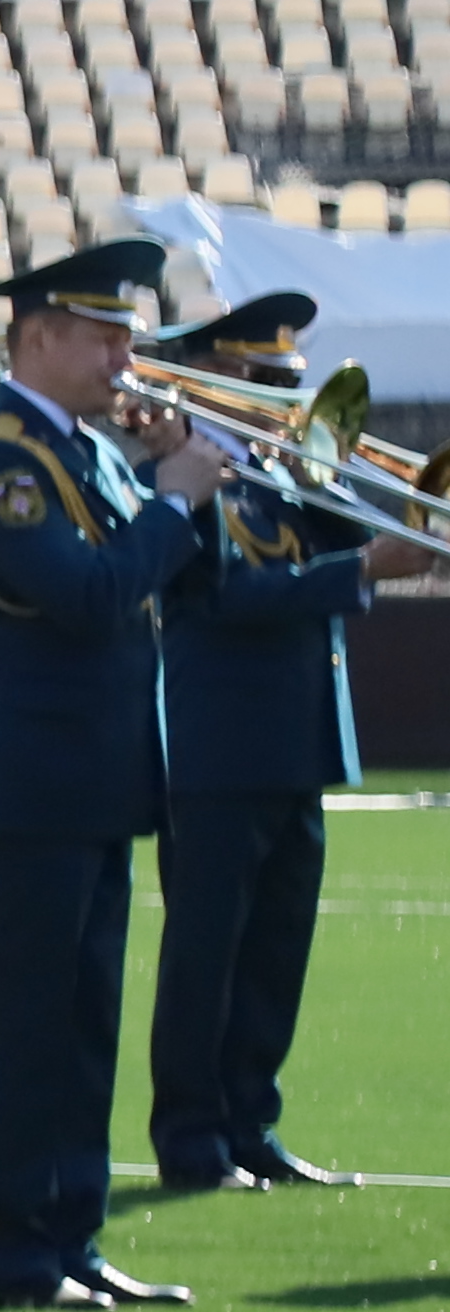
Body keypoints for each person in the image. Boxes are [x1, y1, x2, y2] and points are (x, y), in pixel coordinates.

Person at [0, 236, 226, 1312]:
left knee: (87, 1024)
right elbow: (93, 594)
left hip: (92, 784)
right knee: (26, 1031)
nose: (123, 356)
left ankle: (73, 1237)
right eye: (103, 336)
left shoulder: (89, 452)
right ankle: (13, 1255)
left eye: (127, 335)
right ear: (39, 337)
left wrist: (181, 478)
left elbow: (185, 574)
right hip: (24, 789)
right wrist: (173, 498)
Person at [147, 286, 418, 1193]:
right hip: (220, 752)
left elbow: (349, 541)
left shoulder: (283, 478)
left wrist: (322, 473)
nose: (282, 397)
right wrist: (357, 569)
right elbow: (225, 599)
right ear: (218, 376)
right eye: (264, 379)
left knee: (274, 953)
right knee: (207, 956)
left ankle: (248, 1125)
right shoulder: (180, 478)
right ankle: (191, 1138)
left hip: (297, 747)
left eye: (286, 381)